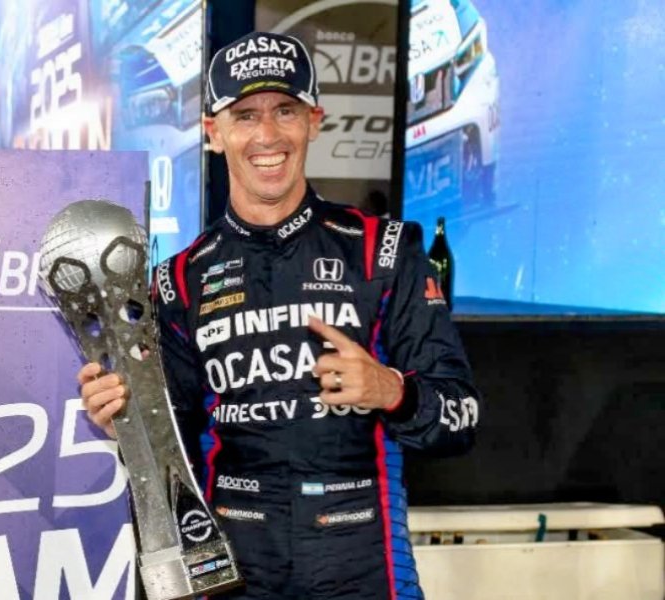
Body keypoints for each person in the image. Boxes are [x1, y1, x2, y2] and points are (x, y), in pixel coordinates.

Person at [79, 31, 481, 600]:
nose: (267, 135)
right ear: (214, 133)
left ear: (314, 120)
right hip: (235, 561)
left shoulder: (385, 251)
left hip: (361, 557)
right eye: (244, 115)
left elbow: (461, 418)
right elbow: (170, 447)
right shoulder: (177, 280)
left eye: (285, 110)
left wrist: (392, 389)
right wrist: (122, 420)